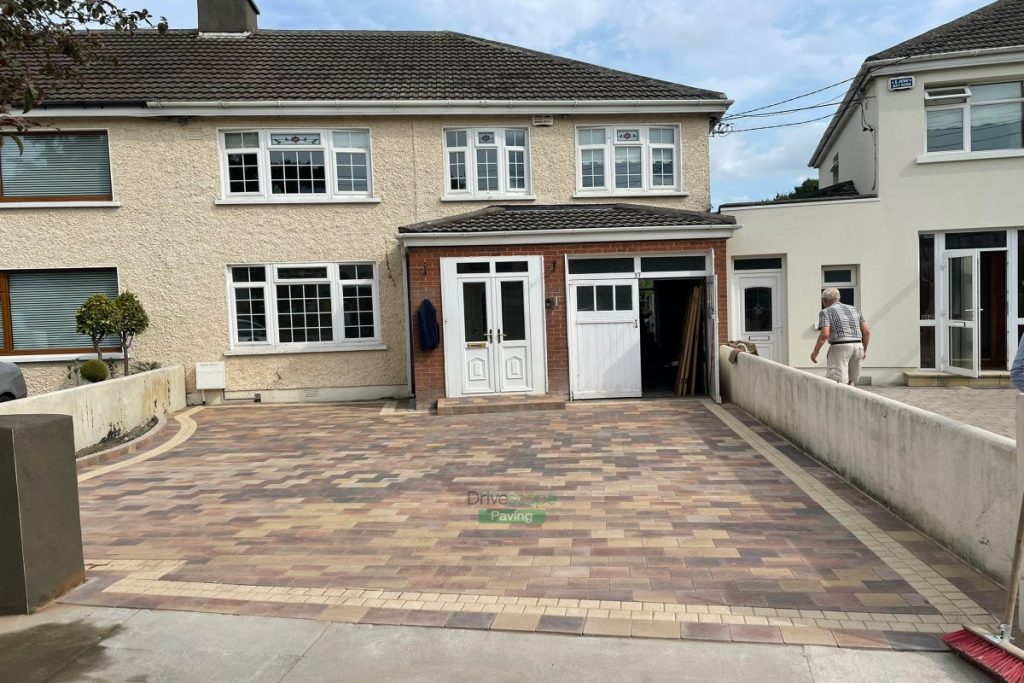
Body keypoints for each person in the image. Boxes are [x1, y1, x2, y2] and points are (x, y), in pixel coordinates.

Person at [811, 287, 870, 386]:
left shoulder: (826, 312)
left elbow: (825, 333)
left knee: (837, 382)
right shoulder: (855, 309)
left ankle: (837, 401)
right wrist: (864, 349)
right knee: (852, 381)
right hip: (858, 346)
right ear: (838, 298)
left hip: (840, 347)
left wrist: (815, 352)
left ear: (825, 301)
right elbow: (867, 331)